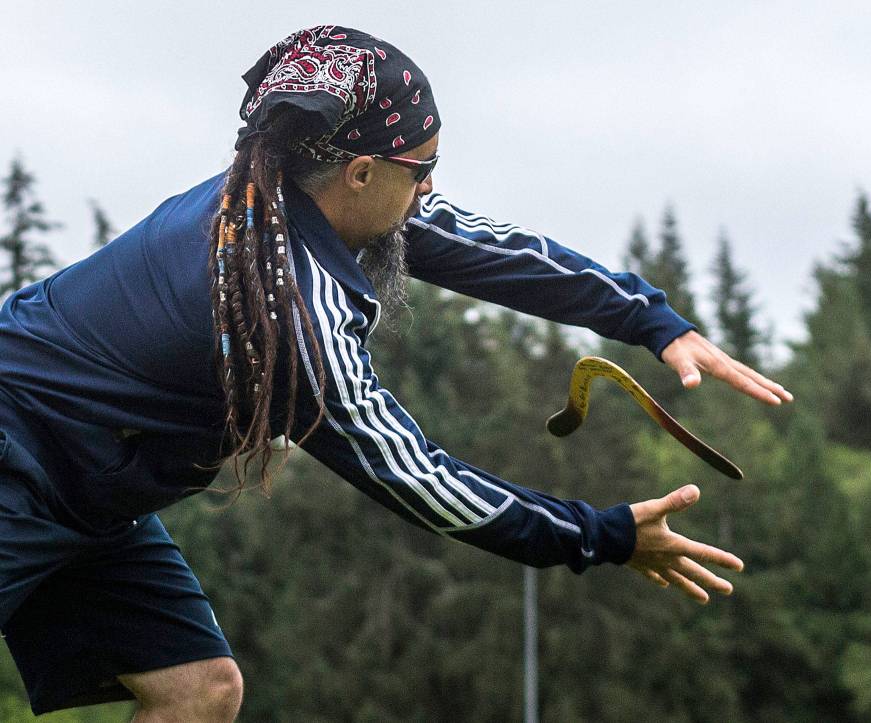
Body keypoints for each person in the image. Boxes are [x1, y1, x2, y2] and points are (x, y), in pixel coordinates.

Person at [0, 25, 792, 721]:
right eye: (424, 167)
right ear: (359, 173)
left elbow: (494, 249)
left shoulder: (290, 188)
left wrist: (654, 322)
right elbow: (412, 475)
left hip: (90, 496)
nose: (432, 188)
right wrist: (603, 535)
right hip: (17, 459)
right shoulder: (291, 297)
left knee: (200, 691)